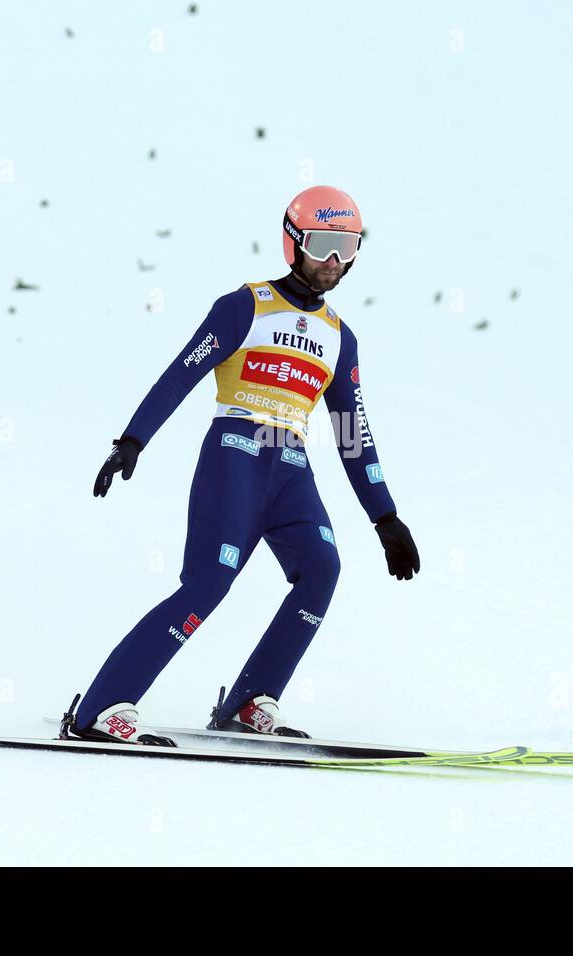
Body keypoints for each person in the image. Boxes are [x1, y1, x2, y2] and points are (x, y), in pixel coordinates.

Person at [64, 185, 420, 746]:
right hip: (236, 457)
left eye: (347, 247)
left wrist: (386, 518)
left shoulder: (338, 338)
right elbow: (182, 371)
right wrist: (134, 439)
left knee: (322, 570)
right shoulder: (245, 306)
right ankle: (98, 709)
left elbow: (352, 431)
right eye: (324, 243)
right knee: (207, 584)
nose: (334, 260)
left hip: (291, 470)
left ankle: (249, 700)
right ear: (293, 241)